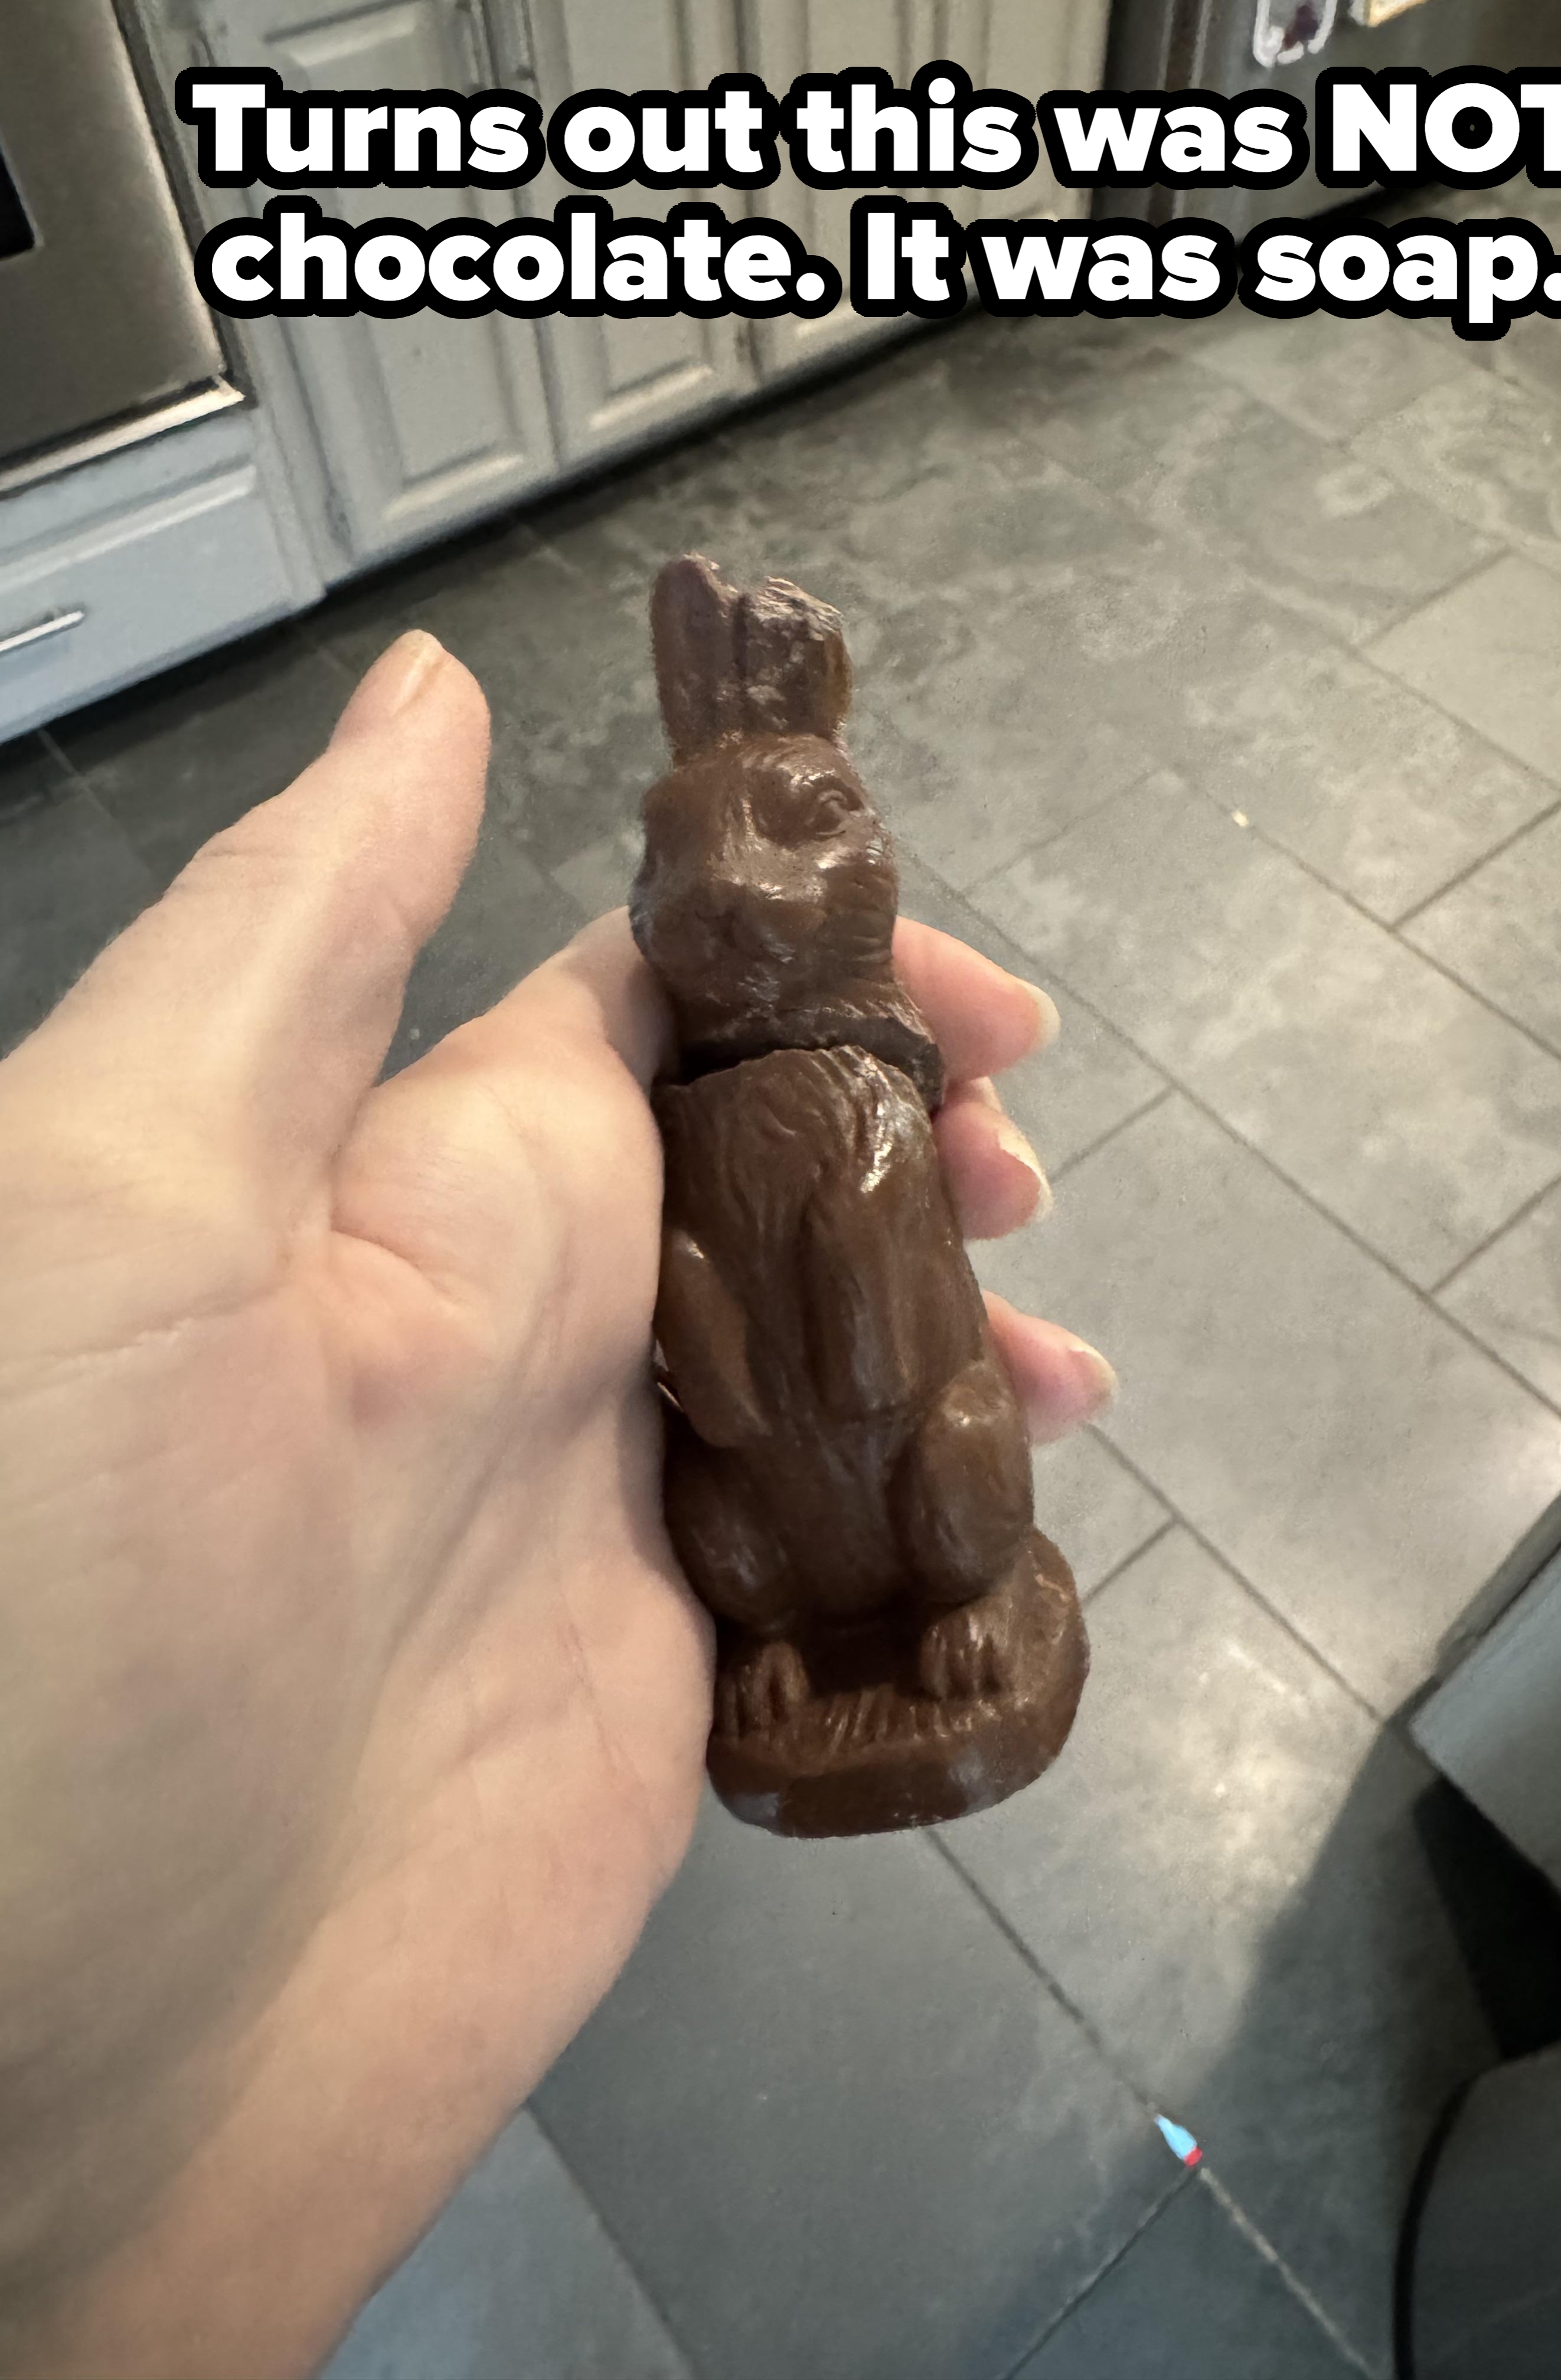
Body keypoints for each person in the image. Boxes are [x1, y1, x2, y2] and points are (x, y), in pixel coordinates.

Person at [0, 632, 1115, 2379]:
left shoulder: (865, 1086)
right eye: (670, 869)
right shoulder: (684, 1107)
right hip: (776, 1502)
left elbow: (892, 1297)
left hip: (905, 1458)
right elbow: (686, 1283)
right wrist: (714, 1329)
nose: (720, 898)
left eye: (795, 837)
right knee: (729, 1523)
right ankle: (779, 1648)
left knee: (970, 1450)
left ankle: (960, 1605)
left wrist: (836, 1293)